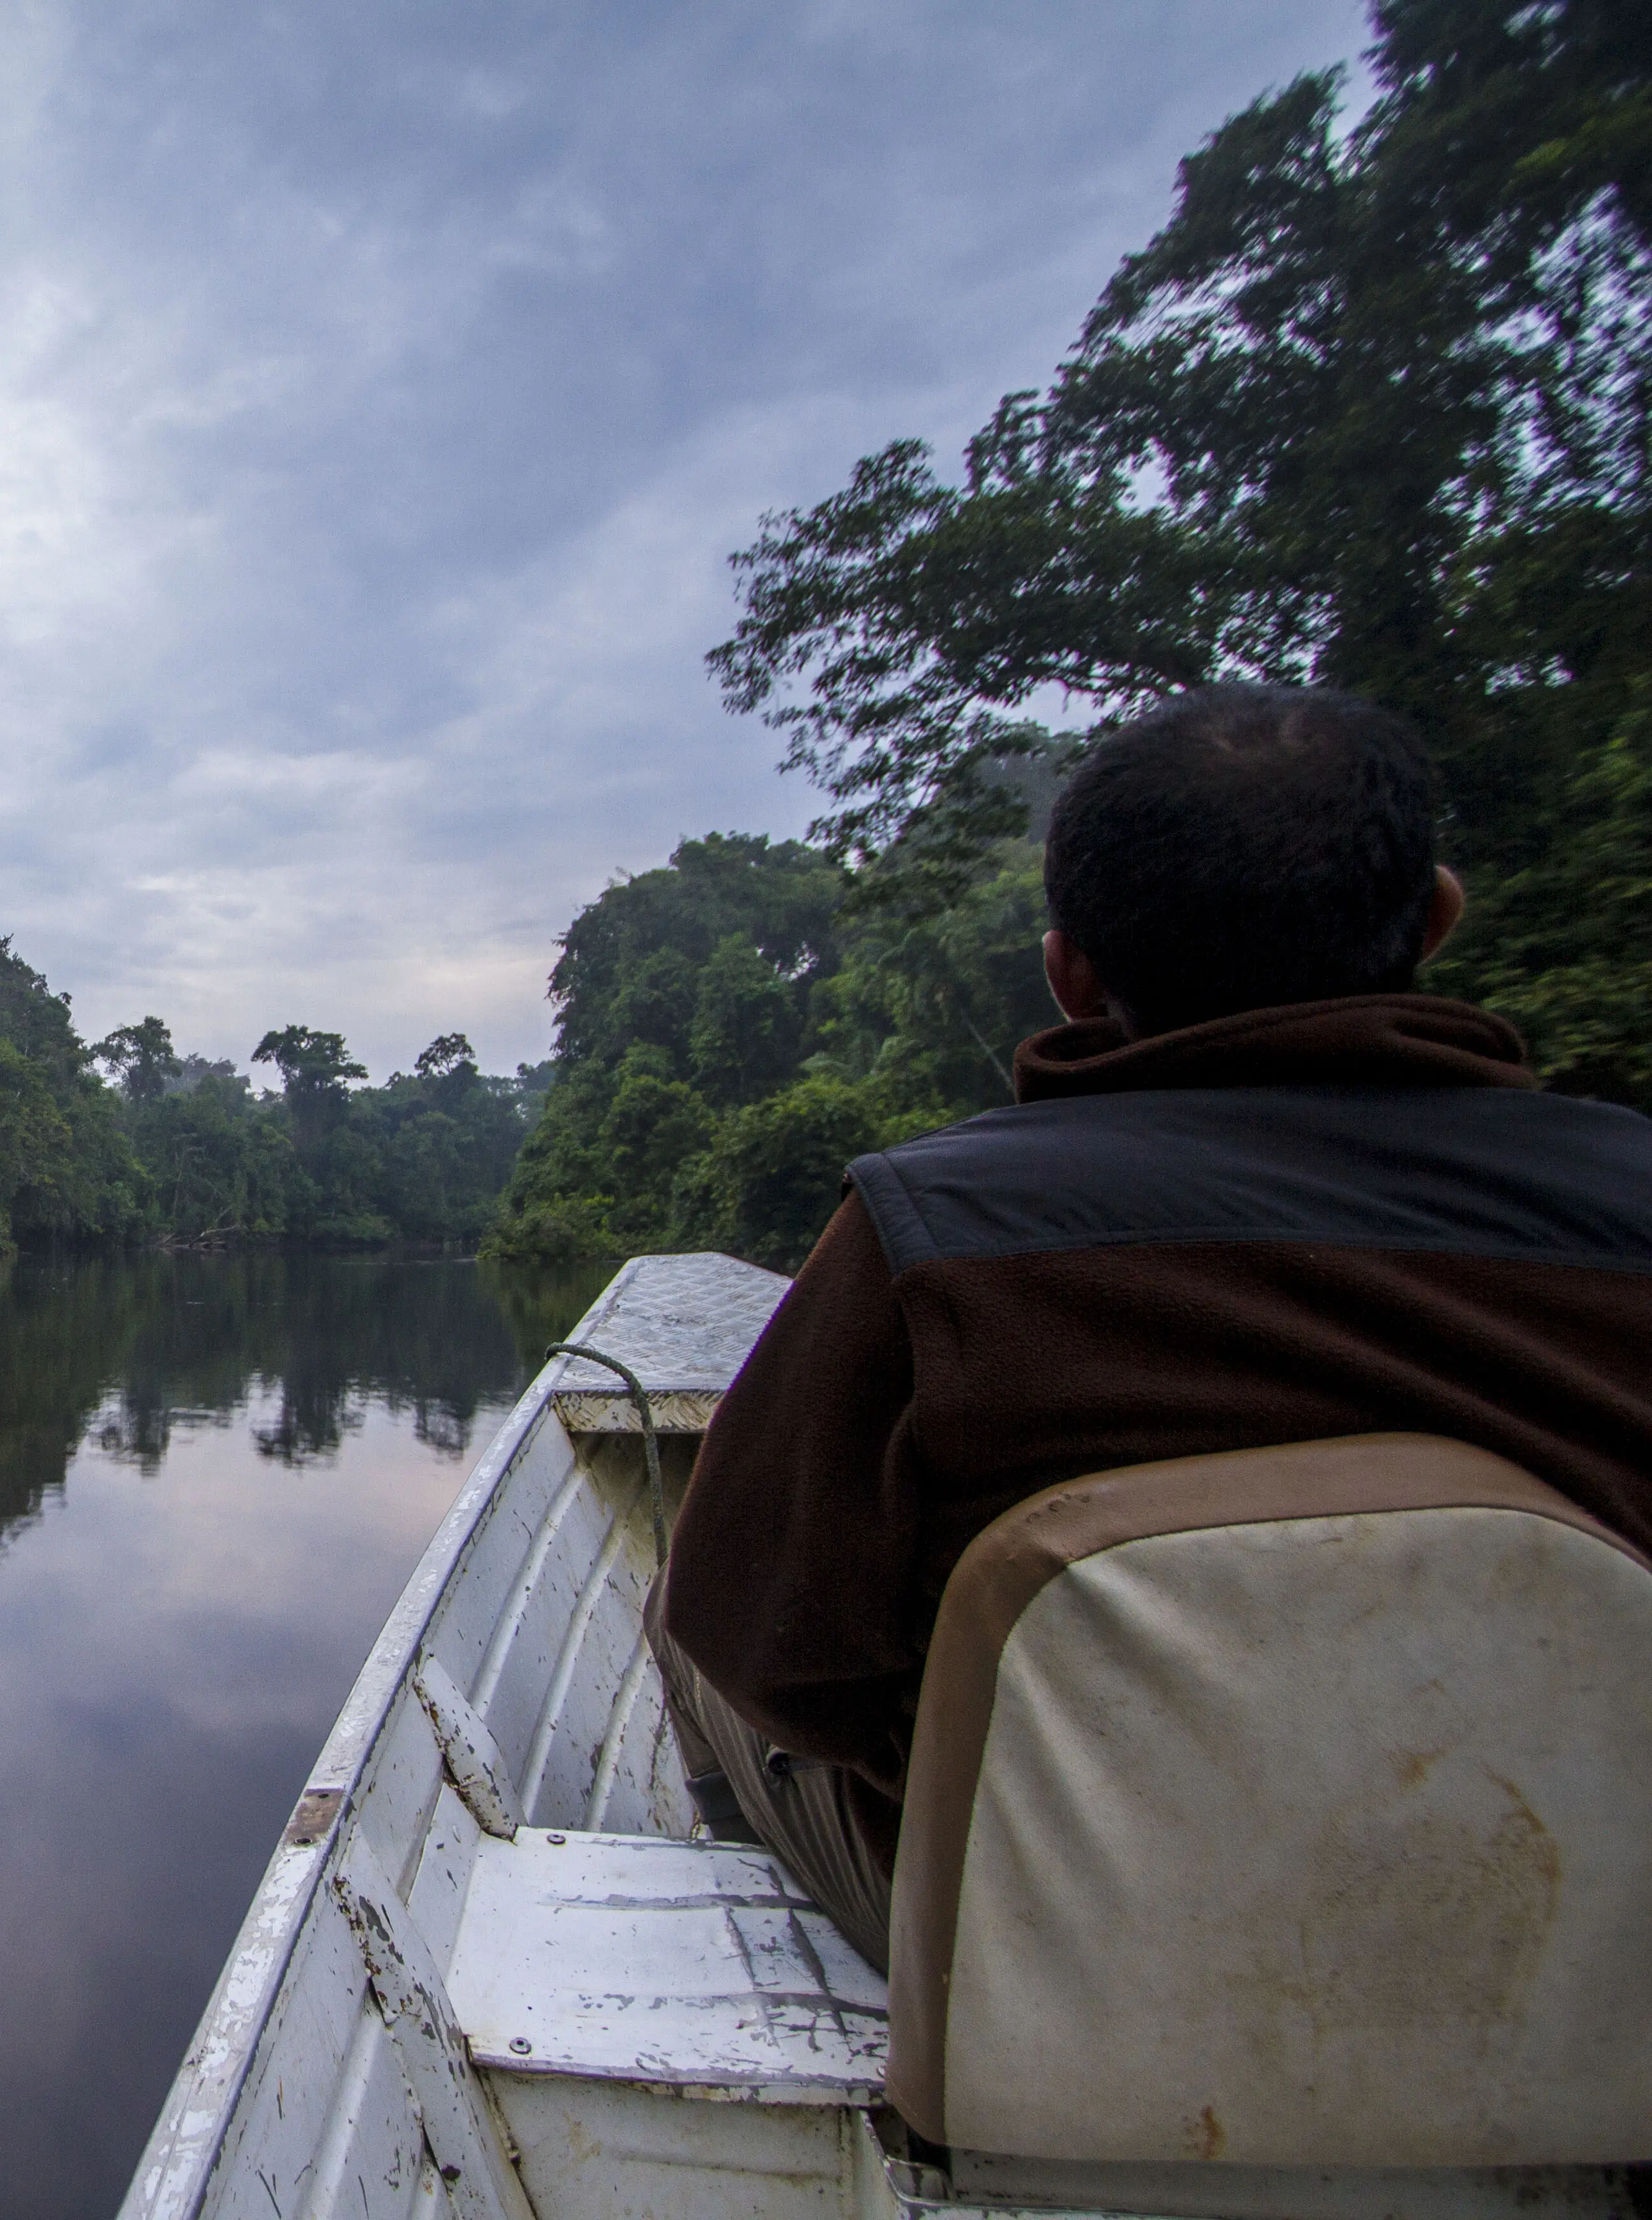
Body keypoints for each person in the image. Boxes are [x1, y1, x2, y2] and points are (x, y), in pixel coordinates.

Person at [647, 682, 1652, 1974]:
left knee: (681, 1593)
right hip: (1579, 1951)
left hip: (1061, 1959)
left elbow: (757, 1640)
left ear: (1070, 972)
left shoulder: (932, 1235)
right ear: (1439, 918)